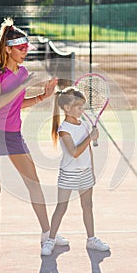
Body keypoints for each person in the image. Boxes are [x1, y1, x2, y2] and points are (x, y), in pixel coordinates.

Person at [0, 17, 69, 253]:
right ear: (8, 49)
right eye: (21, 48)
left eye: (26, 48)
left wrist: (42, 96)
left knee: (34, 184)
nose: (25, 52)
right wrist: (20, 85)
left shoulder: (23, 72)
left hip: (14, 135)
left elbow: (16, 104)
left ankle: (47, 234)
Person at [41, 87, 110, 256]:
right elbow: (74, 152)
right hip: (69, 173)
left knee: (87, 206)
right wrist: (90, 138)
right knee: (61, 207)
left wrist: (92, 170)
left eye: (82, 106)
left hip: (85, 173)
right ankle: (50, 239)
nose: (82, 110)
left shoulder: (84, 125)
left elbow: (88, 152)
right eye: (78, 107)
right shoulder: (64, 129)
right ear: (67, 108)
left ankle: (91, 239)